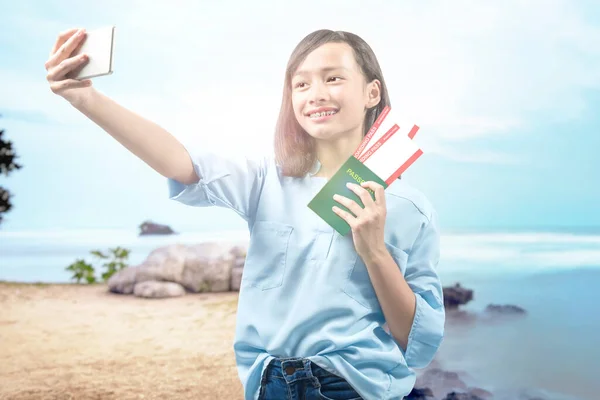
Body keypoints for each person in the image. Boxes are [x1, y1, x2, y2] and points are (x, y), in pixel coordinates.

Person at [45, 27, 445, 400]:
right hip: (269, 383)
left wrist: (375, 252)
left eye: (333, 78)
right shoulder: (265, 180)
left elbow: (418, 339)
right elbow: (179, 162)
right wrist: (86, 99)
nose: (315, 93)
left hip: (355, 385)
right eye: (300, 84)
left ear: (372, 92)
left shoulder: (410, 208)